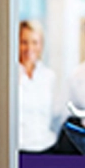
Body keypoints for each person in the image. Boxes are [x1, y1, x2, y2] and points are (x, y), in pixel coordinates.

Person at [17, 20, 59, 152]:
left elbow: (56, 116)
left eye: (35, 42)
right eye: (24, 42)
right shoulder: (8, 75)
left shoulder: (48, 76)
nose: (29, 48)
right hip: (19, 148)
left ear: (41, 45)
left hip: (46, 147)